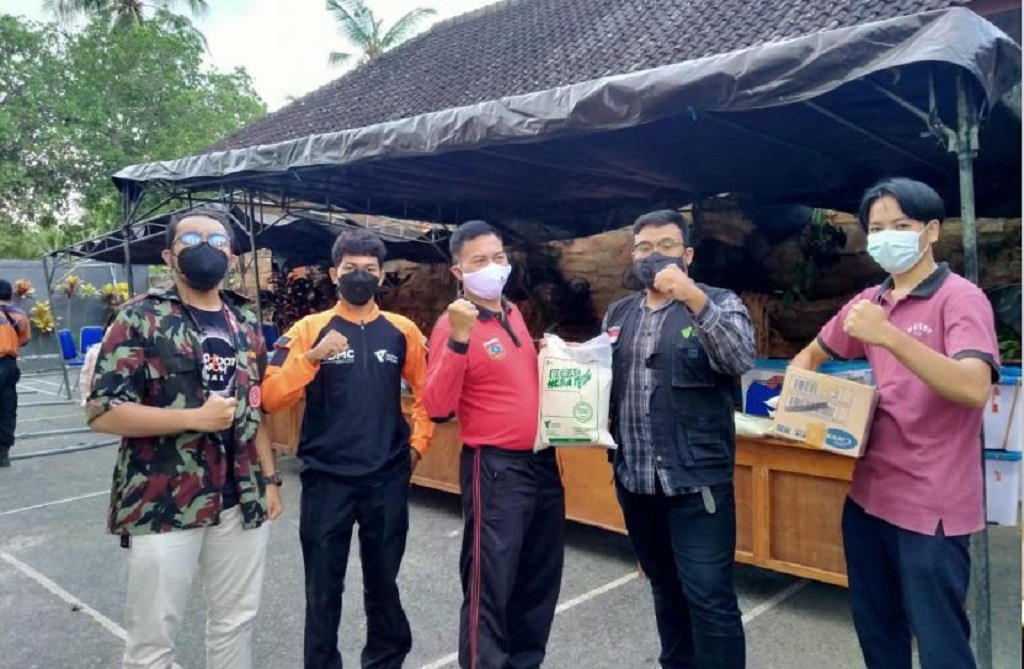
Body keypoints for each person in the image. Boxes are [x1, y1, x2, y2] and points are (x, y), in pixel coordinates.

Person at [791, 178, 999, 669]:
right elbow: (810, 355)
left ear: (931, 231)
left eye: (901, 225)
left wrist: (888, 337)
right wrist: (807, 408)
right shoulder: (870, 301)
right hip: (867, 498)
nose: (887, 237)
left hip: (932, 506)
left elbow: (974, 387)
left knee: (941, 645)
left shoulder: (961, 298)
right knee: (879, 635)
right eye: (877, 228)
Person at [87, 205, 283, 669]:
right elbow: (103, 411)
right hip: (163, 500)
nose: (205, 249)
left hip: (240, 498)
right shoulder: (139, 318)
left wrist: (270, 479)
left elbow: (255, 407)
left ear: (231, 258)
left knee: (236, 620)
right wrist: (194, 418)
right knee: (152, 637)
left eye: (217, 242)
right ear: (168, 255)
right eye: (191, 240)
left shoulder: (245, 322)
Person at [261, 229, 433, 669]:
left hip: (386, 477)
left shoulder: (402, 330)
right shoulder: (307, 330)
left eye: (369, 269)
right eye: (351, 268)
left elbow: (428, 393)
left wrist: (418, 445)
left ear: (381, 275)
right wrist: (312, 358)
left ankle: (386, 660)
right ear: (334, 273)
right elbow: (270, 397)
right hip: (327, 479)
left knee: (384, 583)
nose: (360, 276)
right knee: (322, 588)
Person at [602, 209, 755, 669]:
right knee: (665, 588)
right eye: (645, 248)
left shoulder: (720, 302)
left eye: (666, 246)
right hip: (636, 483)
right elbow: (600, 381)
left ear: (687, 254)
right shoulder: (619, 313)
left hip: (696, 485)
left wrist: (692, 297)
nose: (655, 255)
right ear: (633, 256)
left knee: (709, 597)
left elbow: (739, 358)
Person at [423, 220, 564, 669]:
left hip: (542, 462)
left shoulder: (512, 312)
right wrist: (460, 338)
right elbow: (437, 406)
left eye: (498, 257)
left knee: (538, 578)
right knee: (492, 583)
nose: (493, 266)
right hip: (497, 469)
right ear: (458, 272)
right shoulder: (452, 326)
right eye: (479, 260)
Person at [0, 279, 31, 467]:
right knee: (7, 408)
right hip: (9, 364)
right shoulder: (20, 315)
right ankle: (3, 454)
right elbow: (24, 340)